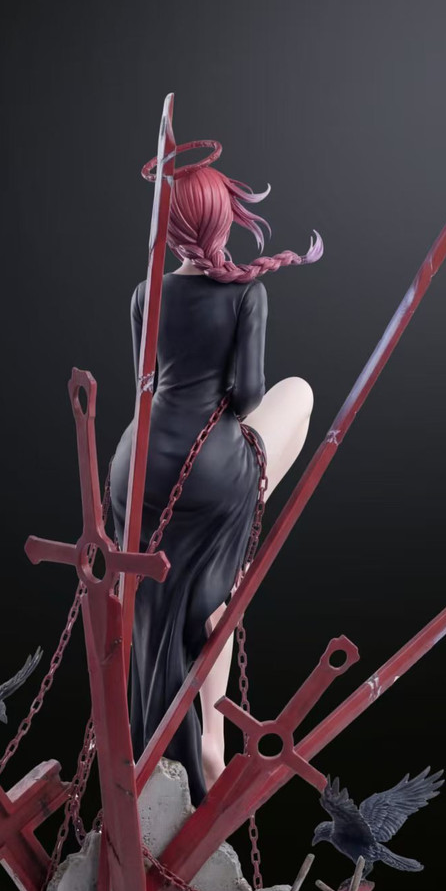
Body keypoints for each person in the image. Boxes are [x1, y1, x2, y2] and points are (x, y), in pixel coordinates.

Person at [108, 140, 322, 805]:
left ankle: (190, 730)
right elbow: (250, 395)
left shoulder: (145, 293)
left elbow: (145, 383)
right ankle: (209, 735)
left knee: (173, 593)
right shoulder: (246, 295)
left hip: (134, 468)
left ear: (169, 231)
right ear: (224, 221)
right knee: (300, 393)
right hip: (204, 472)